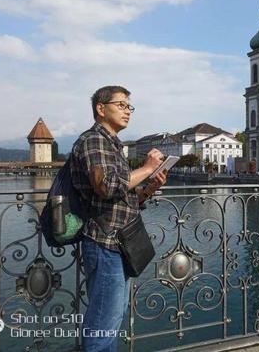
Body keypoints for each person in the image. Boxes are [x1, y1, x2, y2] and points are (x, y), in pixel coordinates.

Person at [70, 85, 167, 352]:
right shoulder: (94, 140)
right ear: (101, 109)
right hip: (103, 243)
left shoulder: (112, 144)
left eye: (129, 106)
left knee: (111, 321)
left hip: (118, 244)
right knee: (103, 324)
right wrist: (147, 168)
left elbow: (123, 200)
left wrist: (149, 188)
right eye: (121, 105)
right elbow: (107, 187)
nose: (127, 111)